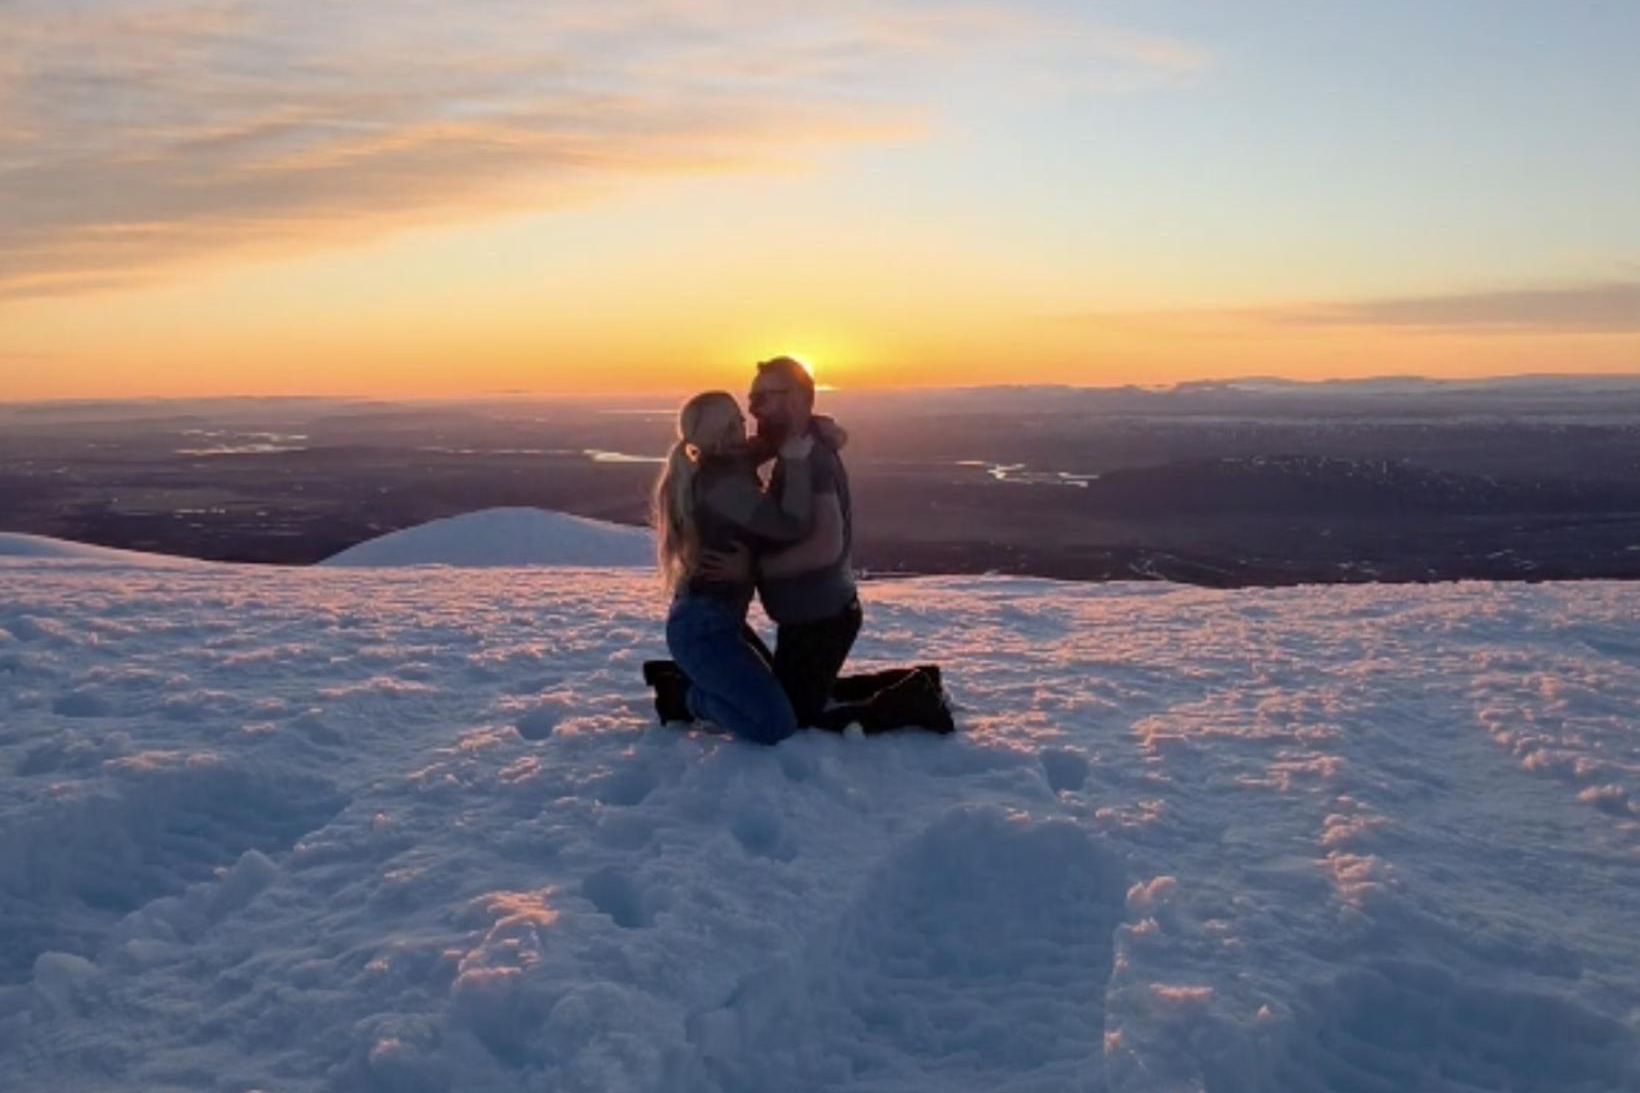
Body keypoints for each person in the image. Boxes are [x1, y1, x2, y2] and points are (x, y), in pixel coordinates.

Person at [695, 356, 951, 734]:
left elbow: (825, 546)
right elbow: (737, 455)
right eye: (751, 400)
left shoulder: (811, 459)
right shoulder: (793, 447)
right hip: (810, 614)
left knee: (798, 718)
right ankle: (919, 680)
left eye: (762, 398)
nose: (753, 410)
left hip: (822, 618)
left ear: (797, 399)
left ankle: (916, 701)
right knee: (801, 692)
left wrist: (752, 570)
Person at [652, 390, 817, 745]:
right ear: (725, 432)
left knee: (779, 695)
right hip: (704, 631)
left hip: (713, 622)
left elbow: (760, 447)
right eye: (738, 420)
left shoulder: (722, 464)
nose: (747, 424)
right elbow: (790, 525)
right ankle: (685, 698)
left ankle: (697, 681)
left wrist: (816, 428)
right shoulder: (723, 486)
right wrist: (798, 463)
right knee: (774, 725)